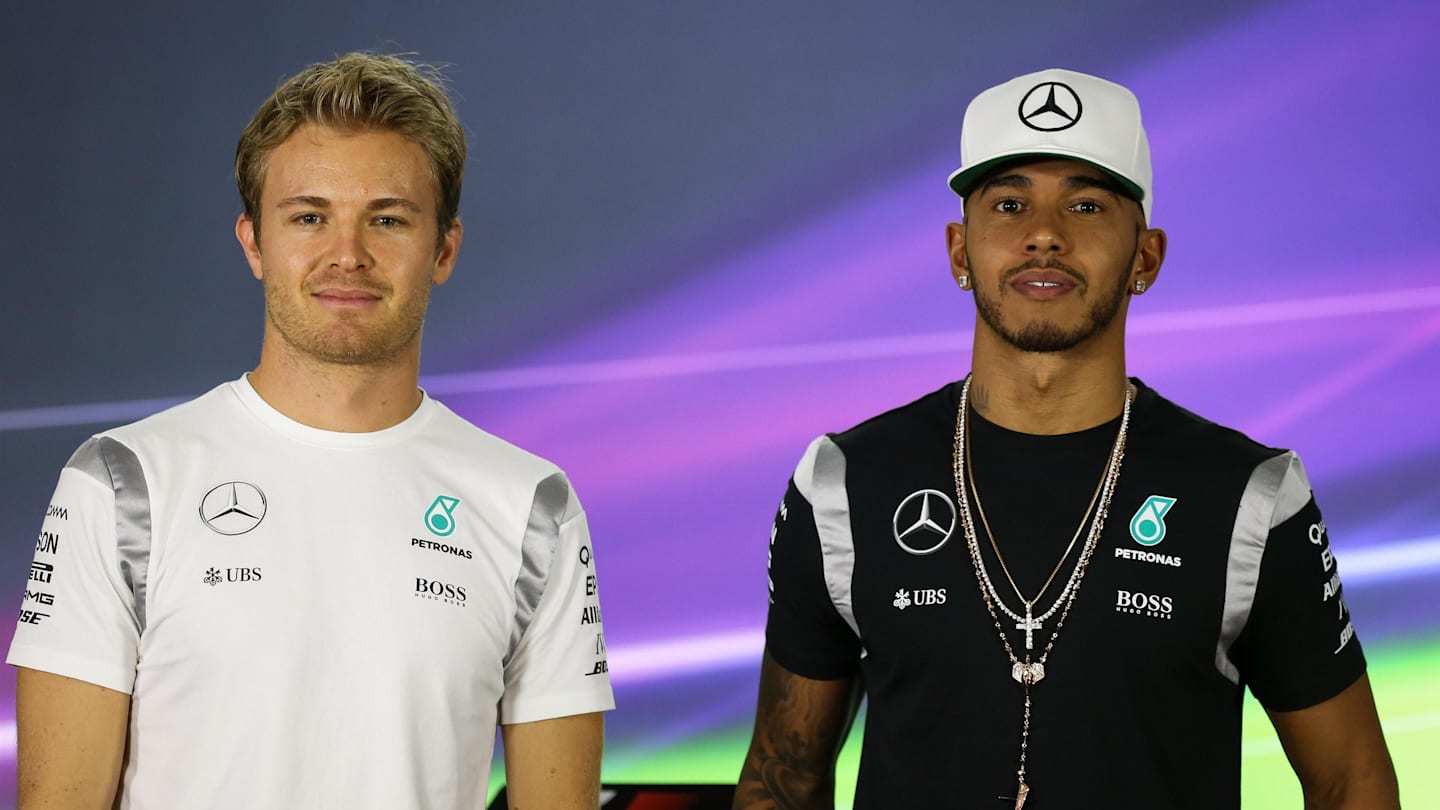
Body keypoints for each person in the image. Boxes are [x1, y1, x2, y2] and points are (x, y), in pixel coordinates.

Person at [733, 68, 1399, 809]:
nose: (1044, 234)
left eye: (1086, 204)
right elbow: (781, 778)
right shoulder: (843, 485)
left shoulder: (1250, 497)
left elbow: (1352, 781)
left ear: (1145, 257)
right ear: (960, 251)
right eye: (1009, 204)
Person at [8, 53, 612, 809]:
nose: (347, 256)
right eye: (308, 216)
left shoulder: (533, 504)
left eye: (387, 219)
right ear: (255, 243)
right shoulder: (122, 481)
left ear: (445, 249)